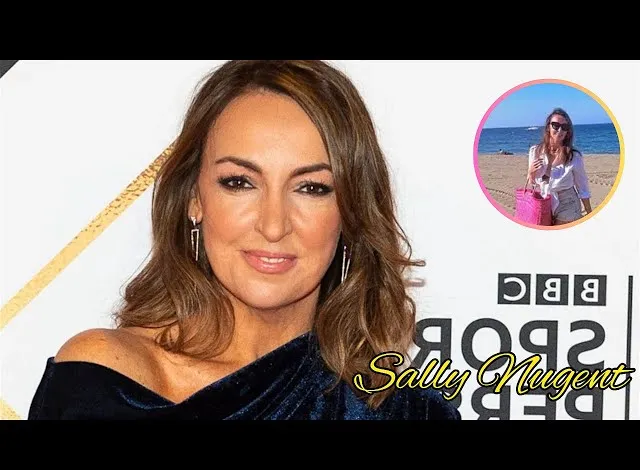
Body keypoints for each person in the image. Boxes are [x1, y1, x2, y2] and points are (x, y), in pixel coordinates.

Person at [28, 60, 461, 420]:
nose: (273, 226)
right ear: (195, 198)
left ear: (350, 212)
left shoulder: (404, 411)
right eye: (239, 182)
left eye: (311, 188)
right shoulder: (104, 383)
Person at [527, 108, 592, 225]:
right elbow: (531, 183)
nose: (560, 130)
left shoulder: (573, 156)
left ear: (568, 131)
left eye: (564, 127)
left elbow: (582, 187)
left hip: (568, 203)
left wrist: (589, 212)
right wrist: (531, 173)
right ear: (548, 127)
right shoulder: (535, 151)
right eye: (556, 125)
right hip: (543, 201)